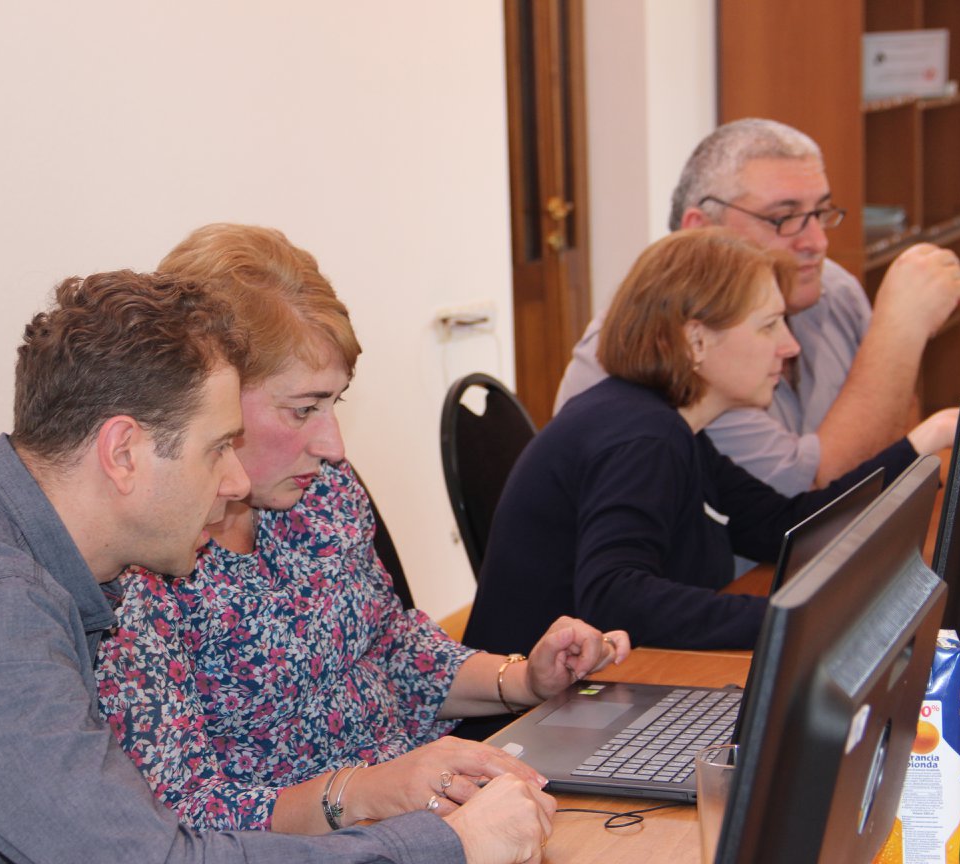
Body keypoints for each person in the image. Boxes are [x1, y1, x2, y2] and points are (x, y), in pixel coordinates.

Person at [0, 270, 554, 864]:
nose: (236, 482)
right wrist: (448, 846)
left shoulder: (5, 539)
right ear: (123, 452)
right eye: (217, 449)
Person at [96, 224, 630, 834]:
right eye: (303, 409)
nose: (333, 445)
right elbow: (179, 816)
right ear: (209, 398)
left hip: (424, 805)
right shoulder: (139, 559)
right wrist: (368, 792)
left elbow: (389, 646)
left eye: (335, 403)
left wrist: (523, 679)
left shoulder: (318, 492)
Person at [464, 228, 958, 655]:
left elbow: (783, 527)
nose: (789, 346)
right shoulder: (643, 438)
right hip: (531, 718)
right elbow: (616, 596)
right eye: (769, 326)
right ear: (695, 341)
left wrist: (923, 442)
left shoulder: (669, 426)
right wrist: (792, 620)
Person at [554, 118, 960, 495]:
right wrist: (899, 332)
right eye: (783, 218)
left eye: (820, 213)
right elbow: (812, 494)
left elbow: (893, 425)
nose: (817, 242)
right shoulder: (668, 343)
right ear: (701, 229)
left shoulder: (831, 288)